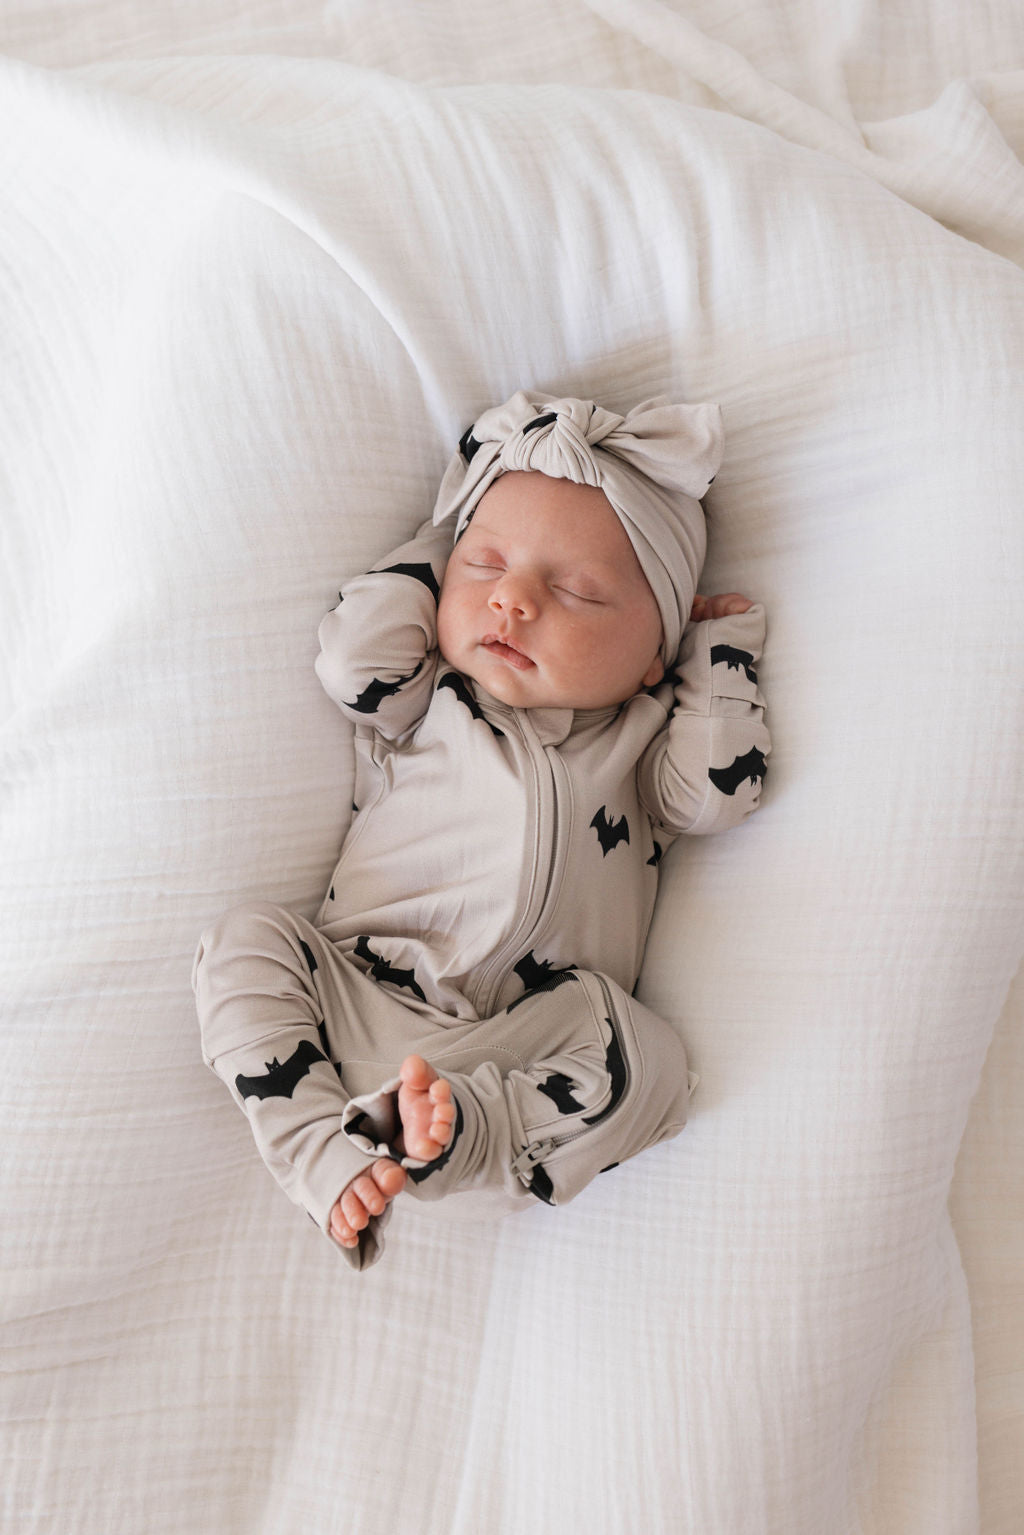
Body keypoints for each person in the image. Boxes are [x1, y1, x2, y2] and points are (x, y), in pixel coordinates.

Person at [192, 391, 769, 1269]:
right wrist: (451, 534)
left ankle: (450, 1134)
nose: (512, 601)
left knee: (651, 1059)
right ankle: (318, 1142)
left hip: (526, 1049)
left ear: (653, 648)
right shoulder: (426, 700)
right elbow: (349, 656)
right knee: (244, 944)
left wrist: (718, 657)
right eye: (488, 564)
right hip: (355, 999)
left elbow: (717, 795)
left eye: (576, 589)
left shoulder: (642, 740)